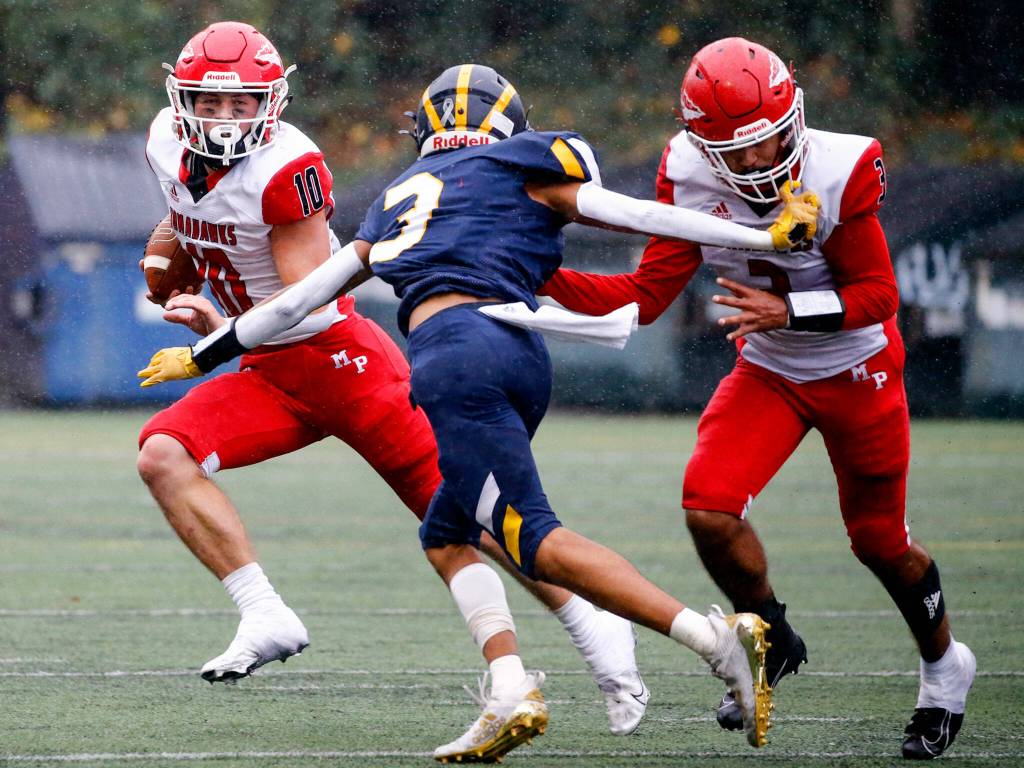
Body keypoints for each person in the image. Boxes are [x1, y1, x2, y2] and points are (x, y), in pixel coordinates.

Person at [139, 62, 820, 761]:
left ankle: (717, 644)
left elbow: (297, 302)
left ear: (424, 134)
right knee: (446, 532)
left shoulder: (397, 197)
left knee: (533, 538)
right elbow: (639, 215)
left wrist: (204, 354)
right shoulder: (521, 166)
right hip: (515, 351)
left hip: (456, 360)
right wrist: (764, 237)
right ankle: (509, 690)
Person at [536, 37, 977, 760]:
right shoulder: (685, 169)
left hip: (857, 368)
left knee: (879, 541)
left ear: (793, 115)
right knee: (708, 507)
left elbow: (878, 296)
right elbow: (646, 297)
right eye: (732, 151)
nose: (753, 161)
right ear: (702, 148)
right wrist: (535, 273)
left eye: (765, 140)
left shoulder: (839, 166)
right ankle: (769, 635)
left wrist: (788, 311)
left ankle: (944, 668)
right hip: (770, 370)